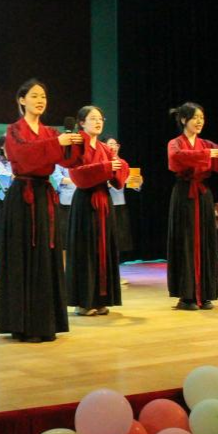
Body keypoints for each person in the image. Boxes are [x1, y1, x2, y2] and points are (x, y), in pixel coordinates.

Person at [0, 79, 83, 343]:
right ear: (21, 100)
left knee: (46, 255)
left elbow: (69, 160)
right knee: (22, 256)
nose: (40, 100)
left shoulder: (50, 132)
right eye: (34, 96)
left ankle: (45, 322)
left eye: (43, 96)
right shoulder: (13, 130)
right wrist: (58, 143)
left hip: (44, 196)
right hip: (22, 198)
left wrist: (75, 143)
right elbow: (23, 155)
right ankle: (21, 323)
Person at [166, 102, 218, 310]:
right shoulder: (175, 143)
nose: (200, 122)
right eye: (195, 118)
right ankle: (186, 296)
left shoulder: (206, 143)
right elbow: (176, 158)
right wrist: (207, 155)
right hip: (184, 194)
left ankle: (205, 293)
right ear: (184, 120)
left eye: (202, 118)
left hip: (203, 194)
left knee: (206, 241)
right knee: (186, 241)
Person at [65, 106, 129, 317]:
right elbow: (77, 175)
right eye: (93, 118)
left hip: (104, 200)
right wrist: (107, 167)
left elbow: (119, 174)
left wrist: (116, 166)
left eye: (100, 118)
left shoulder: (104, 148)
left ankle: (101, 299)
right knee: (85, 250)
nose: (98, 122)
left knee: (104, 249)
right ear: (81, 122)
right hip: (85, 201)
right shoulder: (76, 145)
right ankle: (83, 301)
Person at [105, 136, 144, 281]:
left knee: (119, 242)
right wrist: (121, 181)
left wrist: (138, 182)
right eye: (110, 144)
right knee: (106, 241)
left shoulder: (123, 164)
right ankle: (106, 275)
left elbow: (134, 187)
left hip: (120, 206)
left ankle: (116, 275)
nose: (113, 147)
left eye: (116, 144)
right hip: (106, 205)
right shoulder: (103, 163)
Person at [49, 164, 76, 268]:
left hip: (79, 200)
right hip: (64, 203)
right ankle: (63, 266)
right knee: (64, 236)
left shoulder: (78, 161)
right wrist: (80, 179)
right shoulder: (58, 164)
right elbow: (60, 179)